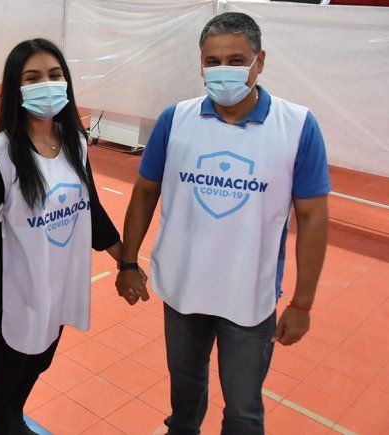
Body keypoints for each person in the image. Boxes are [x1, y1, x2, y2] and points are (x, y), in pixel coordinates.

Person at [115, 12, 330, 435]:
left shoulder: (297, 126)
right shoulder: (175, 119)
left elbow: (312, 216)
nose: (222, 71)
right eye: (212, 61)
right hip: (182, 291)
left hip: (248, 300)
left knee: (244, 409)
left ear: (260, 62)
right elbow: (144, 191)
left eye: (236, 60)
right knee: (185, 395)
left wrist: (302, 304)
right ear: (200, 63)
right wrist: (127, 262)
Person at [0, 38, 123, 435]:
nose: (47, 84)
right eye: (33, 78)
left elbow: (92, 211)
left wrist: (127, 261)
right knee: (4, 378)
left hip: (57, 286)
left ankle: (15, 418)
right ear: (17, 88)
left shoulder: (76, 145)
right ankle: (6, 424)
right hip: (10, 296)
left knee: (38, 362)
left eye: (54, 74)